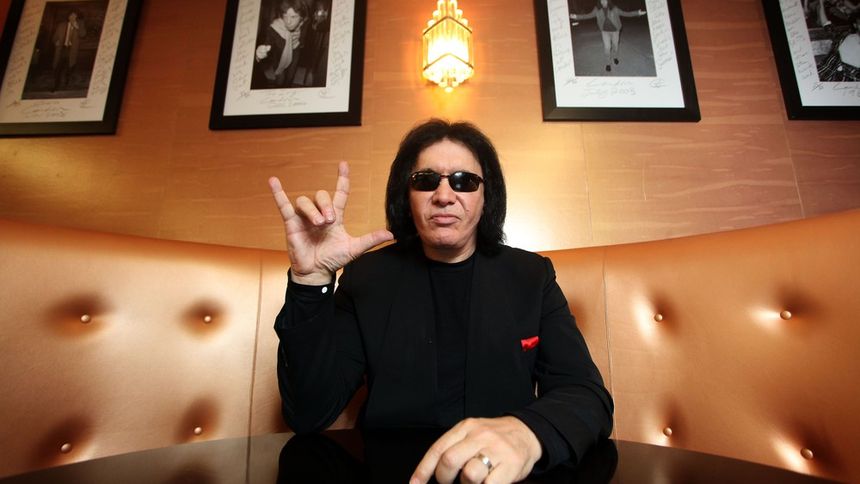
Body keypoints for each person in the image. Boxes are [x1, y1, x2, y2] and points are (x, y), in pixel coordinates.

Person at [268, 119, 613, 483]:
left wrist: (527, 434)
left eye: (464, 181)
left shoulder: (531, 276)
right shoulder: (366, 278)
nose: (444, 195)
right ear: (406, 196)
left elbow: (587, 396)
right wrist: (310, 281)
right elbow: (309, 413)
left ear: (487, 197)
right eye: (426, 180)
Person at [570, 0, 646, 72]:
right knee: (607, 47)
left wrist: (637, 13)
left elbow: (626, 13)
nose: (603, 2)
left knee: (615, 45)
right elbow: (588, 15)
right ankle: (608, 63)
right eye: (601, 0)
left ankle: (615, 57)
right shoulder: (597, 10)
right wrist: (576, 16)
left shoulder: (615, 9)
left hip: (615, 31)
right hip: (605, 31)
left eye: (605, 0)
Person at [252, 0, 307, 89]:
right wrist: (259, 54)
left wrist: (300, 41)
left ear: (301, 18)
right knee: (280, 80)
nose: (288, 21)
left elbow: (303, 38)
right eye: (285, 15)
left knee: (290, 77)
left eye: (293, 17)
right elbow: (268, 44)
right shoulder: (274, 28)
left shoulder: (303, 23)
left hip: (295, 50)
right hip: (278, 55)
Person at [817, 5, 860, 81]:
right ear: (855, 25)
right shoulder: (844, 35)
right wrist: (821, 3)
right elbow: (826, 24)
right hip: (821, 75)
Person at [51, 10, 86, 91]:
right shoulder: (61, 25)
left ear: (77, 17)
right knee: (58, 67)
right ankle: (56, 85)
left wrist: (77, 27)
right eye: (71, 16)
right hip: (61, 49)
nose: (73, 18)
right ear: (68, 16)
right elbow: (54, 38)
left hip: (72, 50)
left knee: (69, 67)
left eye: (75, 16)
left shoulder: (80, 24)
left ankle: (66, 82)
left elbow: (83, 35)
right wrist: (56, 41)